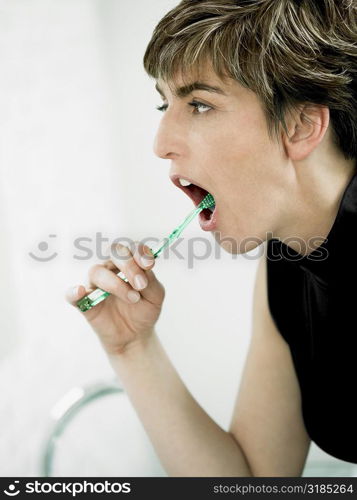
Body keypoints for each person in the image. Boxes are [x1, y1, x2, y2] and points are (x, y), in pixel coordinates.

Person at [65, 0, 357, 476]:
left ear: (302, 126)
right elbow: (255, 481)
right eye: (166, 103)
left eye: (199, 104)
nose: (161, 144)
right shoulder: (287, 257)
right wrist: (132, 348)